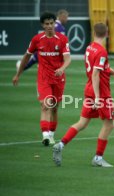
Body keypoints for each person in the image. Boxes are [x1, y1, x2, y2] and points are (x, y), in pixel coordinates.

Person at [52, 23, 114, 167]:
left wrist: (113, 71)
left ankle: (61, 144)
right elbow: (96, 74)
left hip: (89, 89)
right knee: (109, 125)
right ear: (107, 34)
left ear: (93, 33)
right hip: (100, 93)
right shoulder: (101, 51)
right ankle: (98, 158)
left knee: (82, 123)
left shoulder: (90, 48)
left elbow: (100, 68)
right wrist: (98, 97)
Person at [12, 11, 71, 146]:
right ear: (42, 25)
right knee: (45, 105)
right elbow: (26, 57)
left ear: (54, 23)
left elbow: (68, 59)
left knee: (55, 108)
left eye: (51, 23)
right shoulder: (37, 39)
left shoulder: (62, 39)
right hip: (43, 78)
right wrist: (18, 74)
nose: (49, 26)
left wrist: (62, 68)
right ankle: (45, 135)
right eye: (47, 24)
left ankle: (51, 134)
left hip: (58, 78)